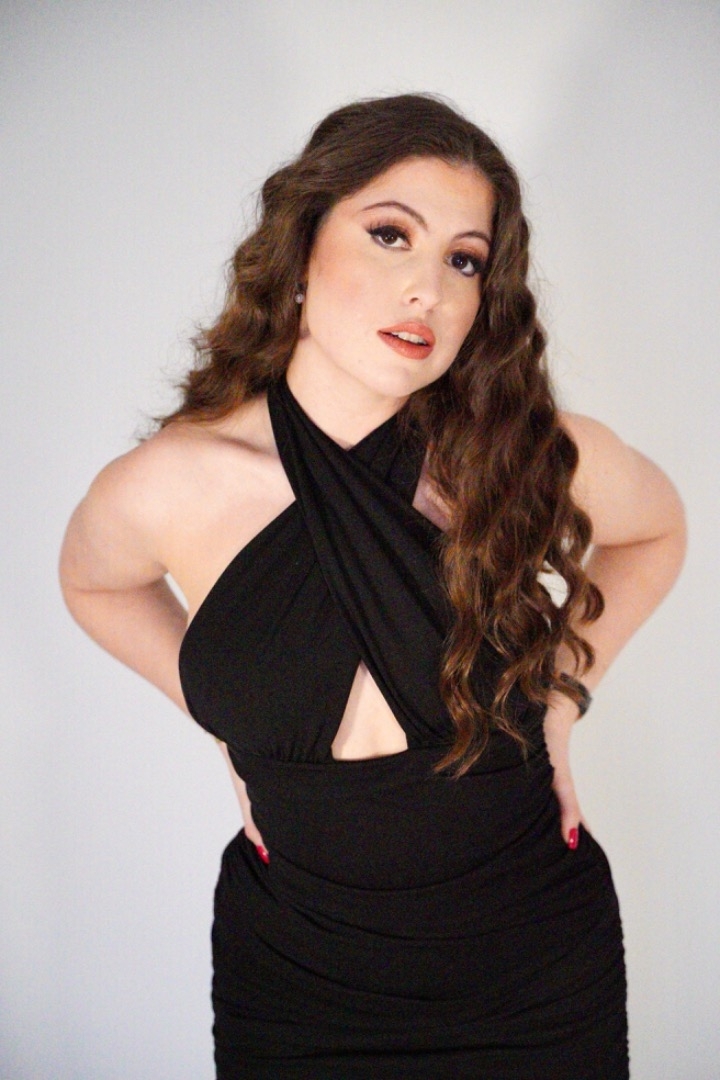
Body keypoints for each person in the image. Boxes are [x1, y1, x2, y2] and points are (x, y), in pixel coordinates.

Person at [59, 94, 686, 1079]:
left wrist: (562, 703)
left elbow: (654, 530)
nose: (426, 289)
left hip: (534, 973)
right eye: (391, 234)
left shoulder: (520, 455)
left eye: (464, 260)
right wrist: (222, 710)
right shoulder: (173, 483)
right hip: (298, 978)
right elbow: (95, 587)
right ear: (301, 248)